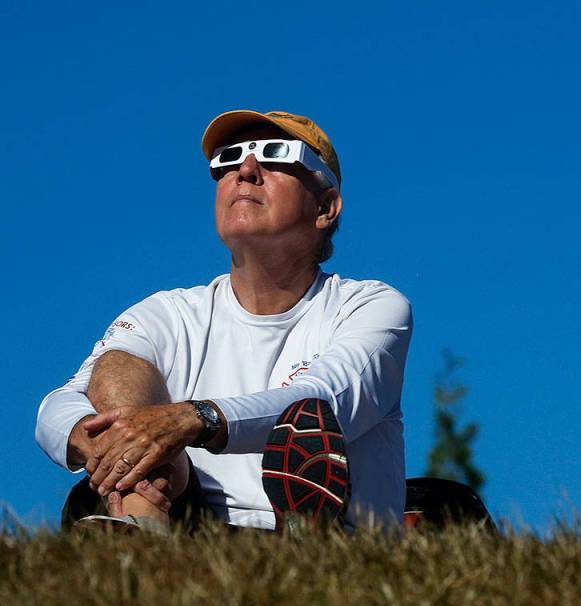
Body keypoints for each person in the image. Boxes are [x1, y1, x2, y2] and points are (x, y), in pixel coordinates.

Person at [35, 109, 412, 533]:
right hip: (193, 525)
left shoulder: (371, 306)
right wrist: (103, 441)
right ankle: (141, 529)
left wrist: (190, 420)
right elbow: (58, 405)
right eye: (229, 159)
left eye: (276, 156)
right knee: (119, 366)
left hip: (333, 539)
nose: (245, 170)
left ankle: (305, 537)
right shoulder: (168, 312)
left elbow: (323, 400)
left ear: (324, 207)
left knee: (305, 424)